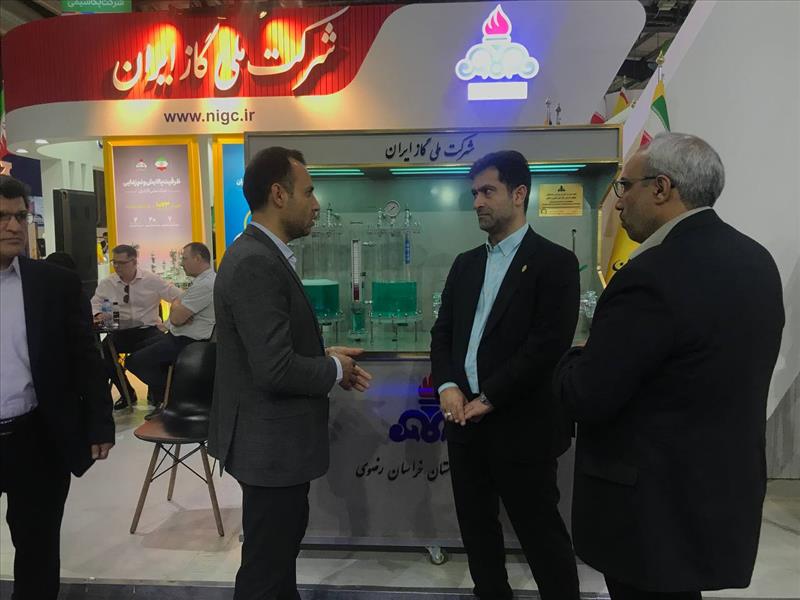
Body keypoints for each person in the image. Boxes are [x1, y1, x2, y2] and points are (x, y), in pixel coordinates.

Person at [553, 133, 785, 600]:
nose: (619, 202)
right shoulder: (757, 261)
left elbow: (588, 395)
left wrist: (573, 356)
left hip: (650, 510)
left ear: (661, 188)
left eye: (625, 187)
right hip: (717, 494)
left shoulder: (651, 275)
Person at [208, 146, 372, 599]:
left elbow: (266, 349)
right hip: (269, 449)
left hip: (274, 449)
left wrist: (322, 354)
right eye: (308, 192)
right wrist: (333, 368)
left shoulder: (263, 255)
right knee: (265, 570)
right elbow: (274, 369)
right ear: (279, 195)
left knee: (276, 562)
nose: (316, 205)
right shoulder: (255, 262)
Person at [430, 151, 581, 600]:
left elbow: (546, 346)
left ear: (519, 194)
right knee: (477, 532)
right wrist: (448, 386)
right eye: (474, 193)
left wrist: (489, 396)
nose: (477, 201)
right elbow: (443, 333)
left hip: (522, 426)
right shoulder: (465, 264)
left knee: (541, 535)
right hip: (464, 424)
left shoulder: (555, 263)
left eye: (487, 191)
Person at [0, 175, 114, 599]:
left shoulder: (53, 284)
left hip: (36, 436)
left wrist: (99, 422)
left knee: (37, 549)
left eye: (20, 216)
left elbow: (86, 357)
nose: (13, 226)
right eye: (2, 217)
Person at [125, 242, 216, 419]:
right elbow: (177, 306)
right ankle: (164, 398)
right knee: (140, 346)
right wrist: (177, 307)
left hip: (189, 342)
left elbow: (176, 318)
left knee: (134, 362)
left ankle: (174, 395)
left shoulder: (206, 284)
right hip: (177, 335)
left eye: (185, 259)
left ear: (198, 258)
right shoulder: (201, 282)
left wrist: (177, 309)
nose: (181, 263)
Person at [91, 244, 181, 409]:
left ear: (134, 262)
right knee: (103, 353)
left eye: (121, 263)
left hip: (149, 330)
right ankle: (126, 392)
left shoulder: (151, 280)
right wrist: (98, 315)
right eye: (114, 262)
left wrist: (168, 324)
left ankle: (157, 393)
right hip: (120, 331)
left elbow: (178, 297)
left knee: (158, 350)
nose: (117, 266)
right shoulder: (107, 283)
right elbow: (94, 304)